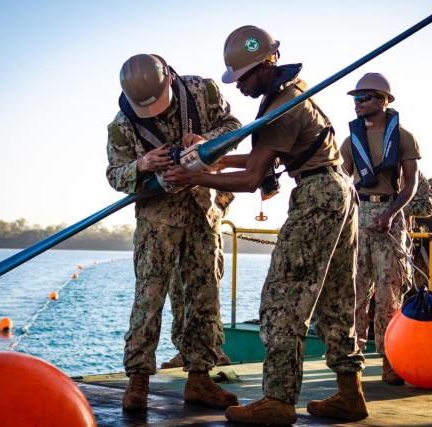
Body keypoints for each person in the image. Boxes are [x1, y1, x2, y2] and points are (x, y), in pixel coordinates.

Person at [164, 25, 367, 425]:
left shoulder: (279, 106)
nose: (237, 86)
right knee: (337, 298)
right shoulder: (293, 92)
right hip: (339, 190)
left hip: (316, 197)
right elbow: (264, 156)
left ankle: (277, 399)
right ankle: (350, 393)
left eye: (242, 78)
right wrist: (213, 161)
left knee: (282, 299)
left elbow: (253, 177)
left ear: (264, 66)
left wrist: (195, 177)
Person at [106, 53, 242, 411]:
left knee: (204, 296)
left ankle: (199, 379)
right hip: (157, 220)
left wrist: (205, 142)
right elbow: (114, 175)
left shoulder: (203, 90)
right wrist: (141, 165)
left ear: (169, 78)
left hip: (203, 210)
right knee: (148, 299)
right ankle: (137, 381)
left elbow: (234, 127)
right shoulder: (122, 125)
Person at [339, 72, 420, 386]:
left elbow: (411, 184)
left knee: (388, 297)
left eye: (364, 98)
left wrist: (389, 213)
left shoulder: (404, 137)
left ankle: (391, 361)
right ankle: (351, 366)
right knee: (355, 295)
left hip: (389, 217)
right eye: (355, 99)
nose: (357, 104)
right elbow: (342, 183)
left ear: (384, 100)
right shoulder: (350, 141)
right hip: (358, 216)